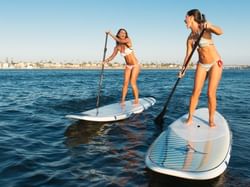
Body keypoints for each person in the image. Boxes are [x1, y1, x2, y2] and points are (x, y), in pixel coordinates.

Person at [179, 9, 223, 127]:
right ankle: (190, 118)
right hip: (202, 64)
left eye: (186, 18)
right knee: (195, 92)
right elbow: (188, 56)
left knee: (210, 93)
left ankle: (211, 120)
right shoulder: (190, 38)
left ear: (192, 17)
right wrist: (183, 70)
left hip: (215, 63)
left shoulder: (204, 27)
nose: (184, 21)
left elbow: (220, 32)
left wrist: (211, 26)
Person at [103, 28, 140, 105]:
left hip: (135, 65)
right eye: (121, 32)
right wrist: (105, 61)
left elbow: (120, 41)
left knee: (132, 83)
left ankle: (136, 100)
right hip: (128, 66)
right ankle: (122, 100)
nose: (123, 34)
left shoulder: (128, 40)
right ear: (118, 34)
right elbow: (112, 56)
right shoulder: (117, 47)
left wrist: (110, 34)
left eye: (124, 33)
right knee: (125, 83)